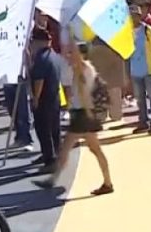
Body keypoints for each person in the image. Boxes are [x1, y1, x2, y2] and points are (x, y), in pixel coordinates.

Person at [35, 43, 114, 196]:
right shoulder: (82, 69)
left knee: (67, 147)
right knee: (94, 148)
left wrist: (84, 111)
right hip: (84, 113)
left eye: (74, 53)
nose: (70, 56)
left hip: (83, 114)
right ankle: (107, 182)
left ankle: (53, 179)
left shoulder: (84, 69)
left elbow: (84, 94)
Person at [29, 27, 64, 170]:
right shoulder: (54, 55)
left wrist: (35, 98)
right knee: (54, 129)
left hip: (44, 99)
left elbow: (39, 80)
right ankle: (55, 155)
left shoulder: (41, 58)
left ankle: (50, 161)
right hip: (54, 97)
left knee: (44, 130)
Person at [129, 6, 151, 135]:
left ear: (140, 16)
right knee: (139, 98)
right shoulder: (127, 32)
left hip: (149, 69)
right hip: (135, 69)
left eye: (135, 15)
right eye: (131, 16)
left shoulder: (148, 30)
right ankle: (143, 122)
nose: (133, 18)